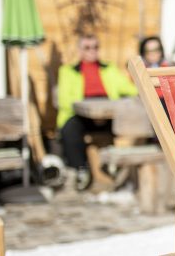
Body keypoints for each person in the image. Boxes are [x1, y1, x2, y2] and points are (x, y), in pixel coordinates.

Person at [56, 33, 138, 190]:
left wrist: (147, 88)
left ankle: (119, 167)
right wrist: (89, 110)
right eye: (87, 47)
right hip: (80, 114)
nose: (91, 51)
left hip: (108, 113)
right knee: (70, 128)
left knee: (129, 122)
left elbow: (127, 88)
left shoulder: (109, 69)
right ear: (79, 50)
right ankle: (80, 169)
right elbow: (64, 101)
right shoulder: (67, 71)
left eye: (95, 47)